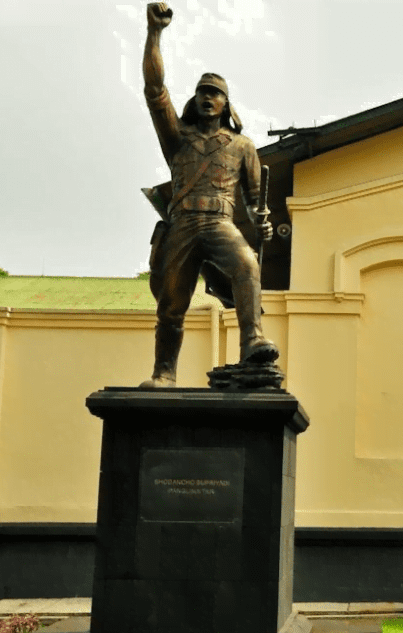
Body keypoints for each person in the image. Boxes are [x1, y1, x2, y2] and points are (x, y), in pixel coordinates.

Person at [140, 2, 278, 388]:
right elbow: (154, 90)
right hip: (183, 223)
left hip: (219, 222)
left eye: (215, 93)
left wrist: (262, 224)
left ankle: (253, 339)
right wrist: (155, 33)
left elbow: (254, 205)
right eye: (202, 91)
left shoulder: (242, 146)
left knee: (247, 266)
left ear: (225, 104)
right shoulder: (177, 137)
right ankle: (164, 372)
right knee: (171, 305)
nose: (207, 97)